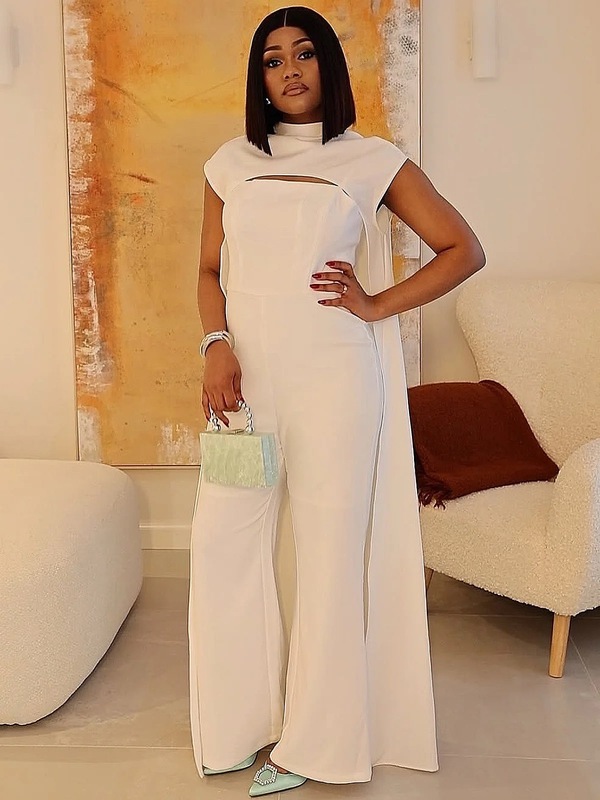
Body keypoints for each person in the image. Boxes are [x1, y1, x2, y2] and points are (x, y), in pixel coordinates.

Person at [188, 5, 485, 797]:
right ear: (259, 78)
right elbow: (210, 270)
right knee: (224, 542)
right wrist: (215, 345)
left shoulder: (370, 160)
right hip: (245, 390)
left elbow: (463, 249)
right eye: (273, 59)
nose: (289, 70)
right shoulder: (228, 164)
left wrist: (377, 304)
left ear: (328, 65)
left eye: (304, 54)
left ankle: (315, 746)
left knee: (326, 555)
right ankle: (236, 724)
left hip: (335, 384)